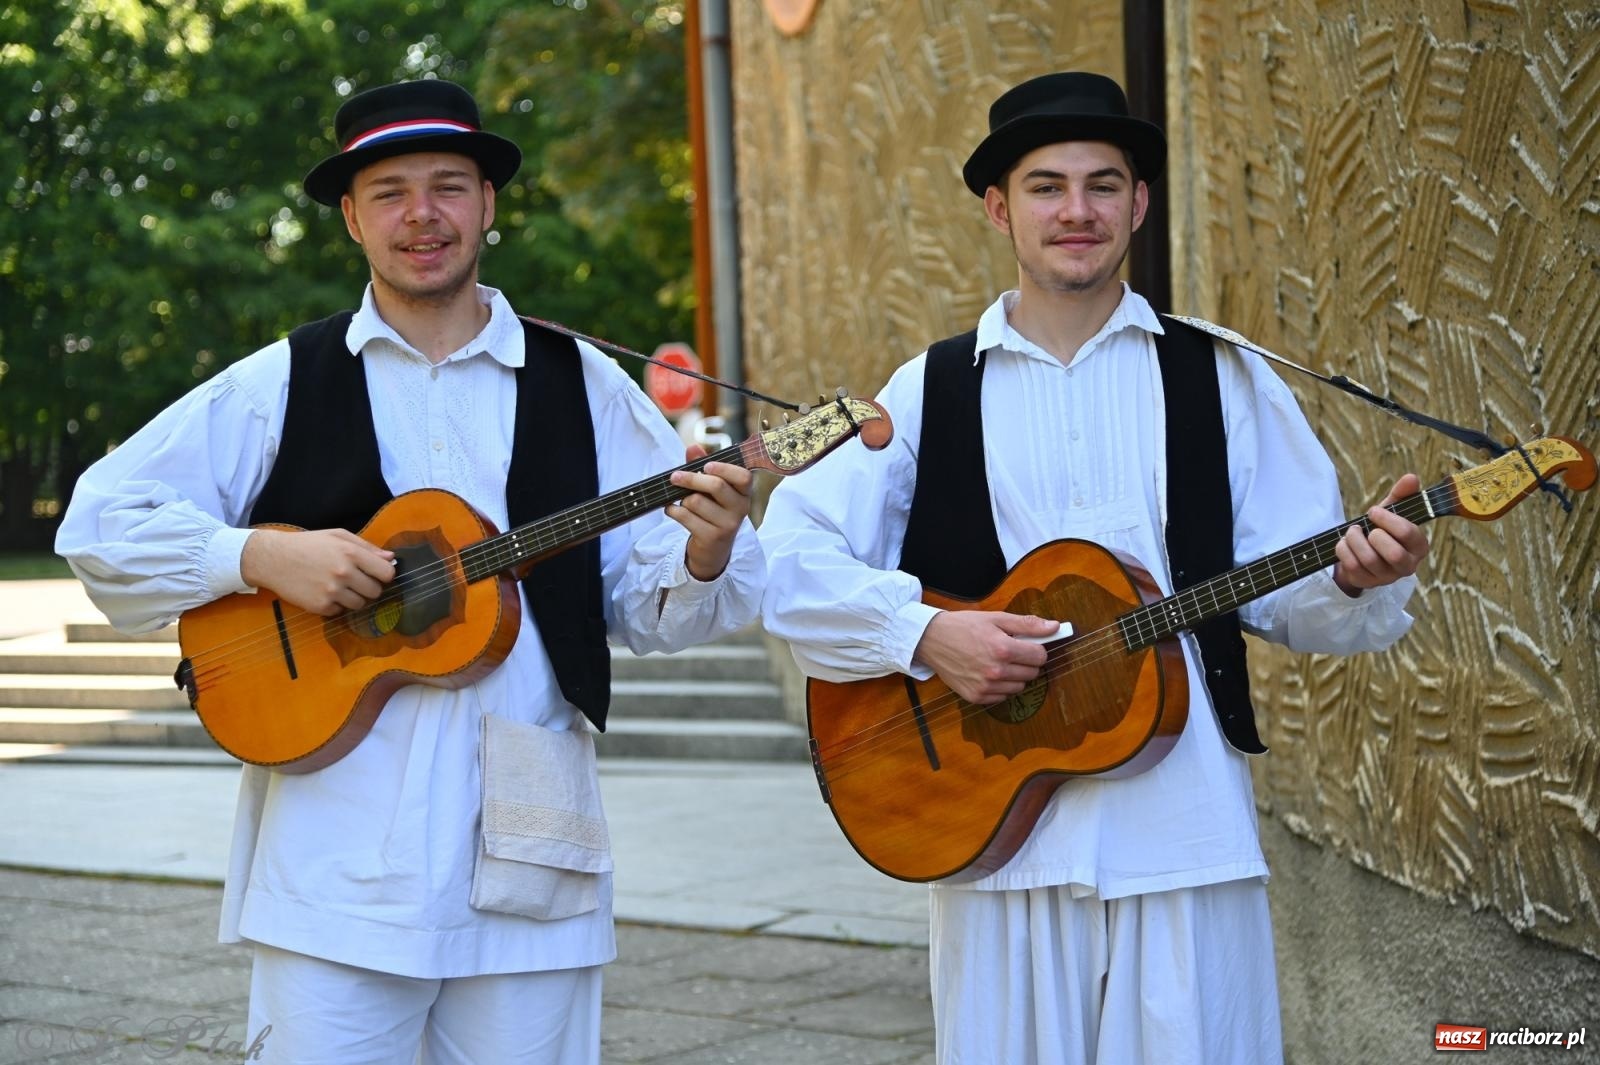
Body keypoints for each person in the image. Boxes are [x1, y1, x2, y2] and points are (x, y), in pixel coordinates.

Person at [55, 79, 765, 1065]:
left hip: (529, 853)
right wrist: (257, 553)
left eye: (448, 185)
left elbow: (653, 610)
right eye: (389, 191)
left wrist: (705, 546)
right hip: (332, 864)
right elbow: (101, 518)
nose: (421, 215)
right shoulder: (283, 379)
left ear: (488, 205)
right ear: (350, 216)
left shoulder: (585, 384)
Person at [758, 71, 1429, 1065]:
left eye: (1103, 184)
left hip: (1184, 832)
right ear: (998, 208)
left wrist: (1357, 577)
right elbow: (787, 560)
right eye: (1045, 186)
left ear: (1138, 204)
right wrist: (925, 633)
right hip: (991, 839)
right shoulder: (928, 388)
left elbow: (1294, 597)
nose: (1076, 210)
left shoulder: (1220, 375)